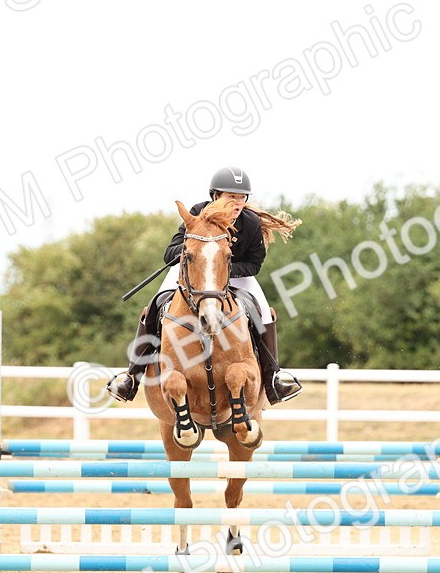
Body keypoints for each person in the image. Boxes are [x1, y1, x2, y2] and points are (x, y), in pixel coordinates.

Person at [106, 166, 303, 404]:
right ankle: (131, 377)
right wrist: (196, 253)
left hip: (234, 274)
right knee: (154, 306)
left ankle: (273, 379)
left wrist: (221, 271)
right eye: (231, 196)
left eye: (242, 197)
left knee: (264, 312)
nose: (237, 203)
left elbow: (254, 264)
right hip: (194, 273)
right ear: (215, 196)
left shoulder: (250, 223)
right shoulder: (197, 213)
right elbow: (170, 253)